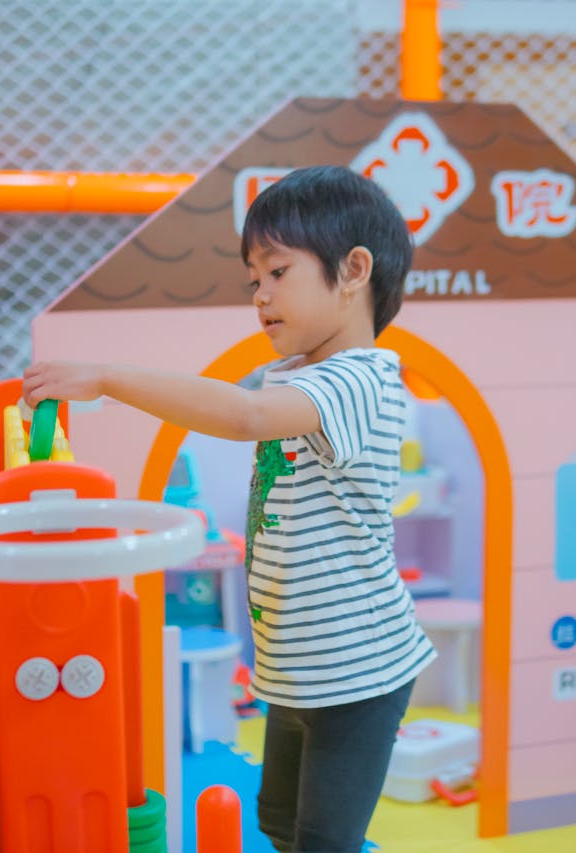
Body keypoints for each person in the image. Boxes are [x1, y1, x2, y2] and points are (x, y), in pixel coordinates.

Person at [23, 165, 436, 852]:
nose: (261, 295)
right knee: (279, 822)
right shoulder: (299, 376)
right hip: (297, 665)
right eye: (254, 280)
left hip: (360, 669)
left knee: (324, 840)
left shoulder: (361, 379)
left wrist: (109, 376)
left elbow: (245, 416)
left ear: (354, 269)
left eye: (278, 272)